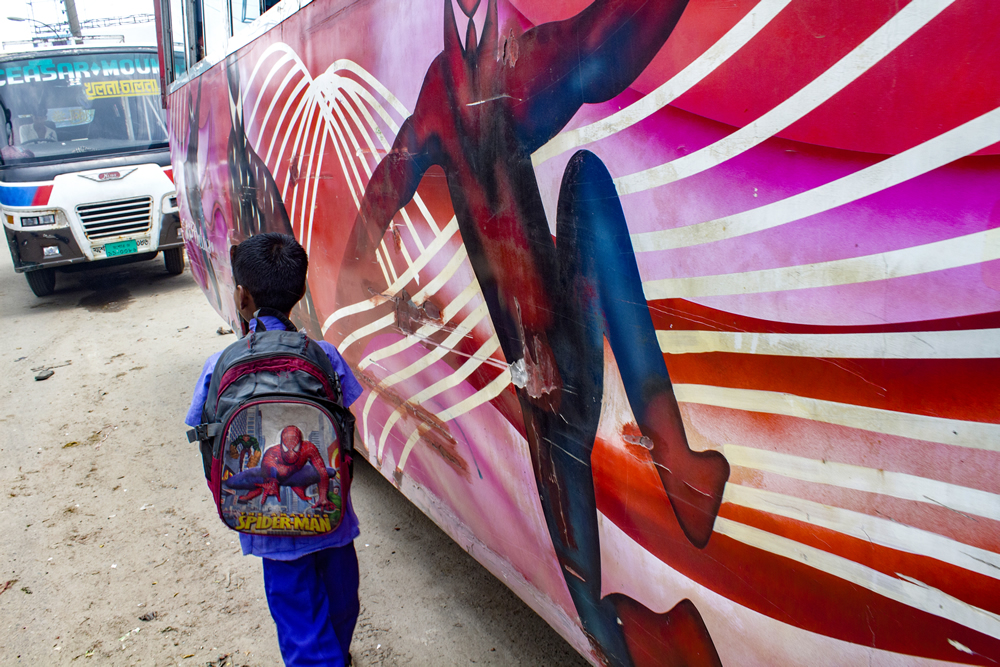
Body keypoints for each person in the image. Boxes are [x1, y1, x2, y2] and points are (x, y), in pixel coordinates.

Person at [186, 233, 363, 667]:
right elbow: (345, 414)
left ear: (242, 297)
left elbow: (198, 425)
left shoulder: (220, 363)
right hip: (331, 520)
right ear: (300, 291)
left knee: (301, 623)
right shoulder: (324, 356)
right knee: (342, 605)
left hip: (269, 530)